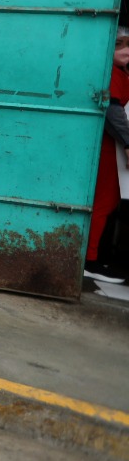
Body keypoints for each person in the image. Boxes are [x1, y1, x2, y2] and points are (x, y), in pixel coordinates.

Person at [88, 26, 129, 284]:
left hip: (114, 150)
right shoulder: (111, 73)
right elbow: (113, 113)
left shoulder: (121, 73)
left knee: (109, 204)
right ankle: (90, 260)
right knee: (103, 203)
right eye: (120, 44)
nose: (126, 50)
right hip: (108, 151)